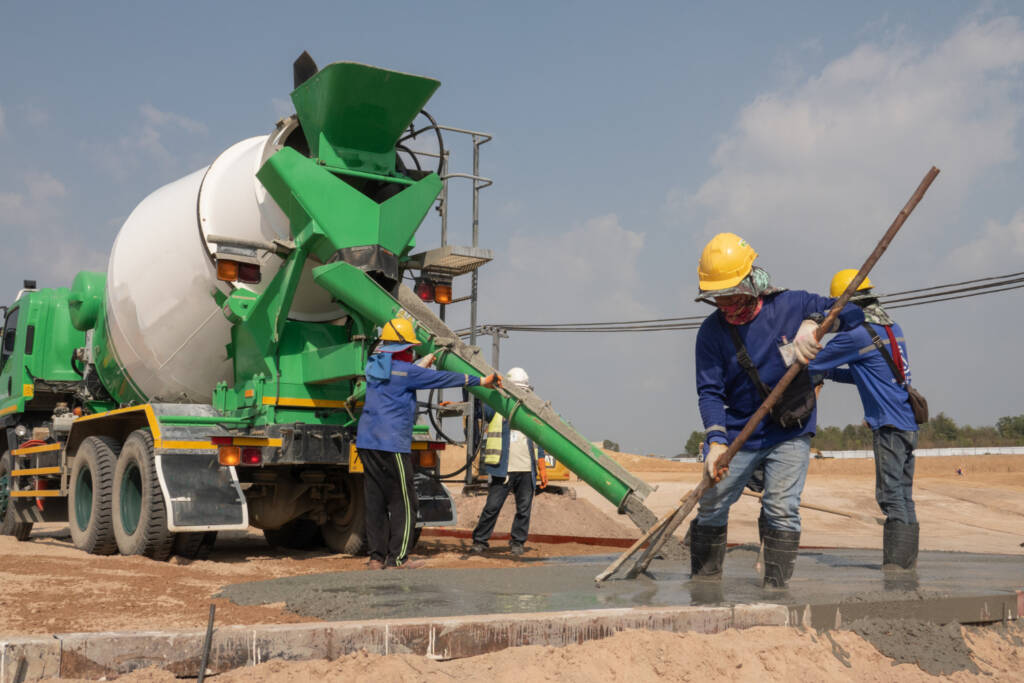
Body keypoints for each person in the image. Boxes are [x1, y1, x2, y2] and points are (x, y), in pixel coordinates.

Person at [692, 233, 864, 588]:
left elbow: (854, 311)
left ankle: (775, 591)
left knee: (781, 509)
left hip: (790, 429)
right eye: (718, 298)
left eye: (732, 295)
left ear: (751, 281)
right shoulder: (711, 333)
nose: (726, 305)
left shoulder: (793, 305)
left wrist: (816, 321)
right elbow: (709, 392)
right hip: (740, 434)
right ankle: (704, 586)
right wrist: (716, 442)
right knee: (711, 505)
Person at [356, 317, 501, 570]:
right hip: (392, 444)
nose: (412, 350)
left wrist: (421, 365)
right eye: (410, 347)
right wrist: (481, 381)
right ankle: (398, 558)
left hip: (367, 441)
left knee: (375, 500)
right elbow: (443, 379)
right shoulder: (409, 372)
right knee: (404, 501)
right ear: (403, 349)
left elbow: (400, 373)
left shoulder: (373, 365)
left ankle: (376, 558)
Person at [808, 270, 920, 570]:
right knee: (904, 497)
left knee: (890, 496)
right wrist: (831, 374)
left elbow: (808, 363)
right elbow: (869, 374)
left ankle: (895, 567)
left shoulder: (855, 335)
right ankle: (907, 565)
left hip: (888, 425)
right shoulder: (892, 328)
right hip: (908, 422)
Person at [469, 367, 548, 557]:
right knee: (492, 507)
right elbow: (478, 410)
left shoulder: (531, 411)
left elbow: (540, 440)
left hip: (526, 469)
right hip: (502, 468)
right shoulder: (498, 406)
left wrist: (542, 465)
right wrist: (466, 396)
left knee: (524, 509)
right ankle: (480, 541)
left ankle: (517, 542)